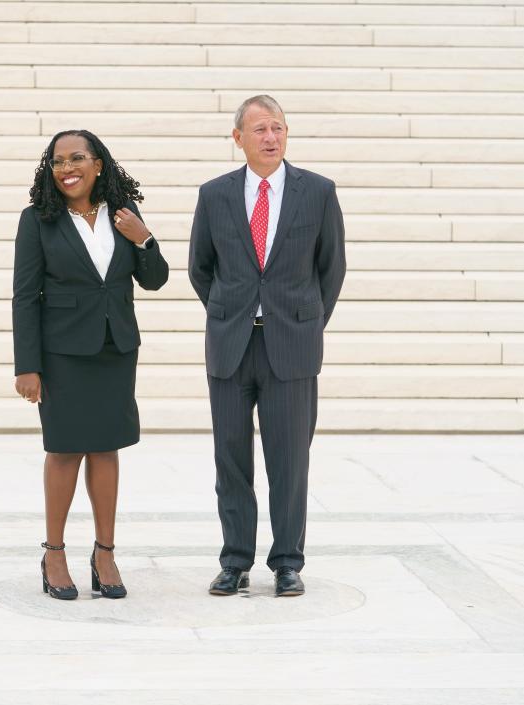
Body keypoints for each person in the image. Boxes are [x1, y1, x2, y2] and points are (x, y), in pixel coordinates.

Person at [188, 95, 346, 598]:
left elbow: (332, 268)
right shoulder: (214, 195)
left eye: (277, 127)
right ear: (238, 138)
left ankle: (287, 562)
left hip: (291, 347)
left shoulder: (317, 192)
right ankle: (234, 560)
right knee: (230, 459)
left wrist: (305, 322)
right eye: (259, 129)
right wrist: (229, 312)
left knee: (289, 460)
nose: (270, 137)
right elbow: (200, 268)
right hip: (232, 345)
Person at [12, 129, 169, 600]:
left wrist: (144, 240)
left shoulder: (125, 215)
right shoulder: (38, 220)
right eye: (57, 162)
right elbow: (25, 297)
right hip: (62, 354)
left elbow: (156, 280)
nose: (66, 168)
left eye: (76, 158)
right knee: (64, 450)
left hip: (115, 349)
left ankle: (105, 553)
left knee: (106, 448)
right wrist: (27, 366)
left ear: (98, 164)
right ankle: (54, 552)